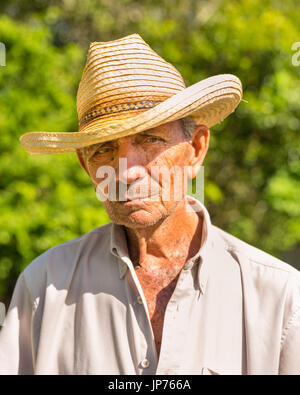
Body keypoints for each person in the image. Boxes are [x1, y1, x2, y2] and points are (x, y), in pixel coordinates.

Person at [0, 34, 299, 375]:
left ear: (196, 149)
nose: (125, 171)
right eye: (104, 150)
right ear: (87, 167)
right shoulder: (44, 287)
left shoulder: (279, 298)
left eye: (151, 139)